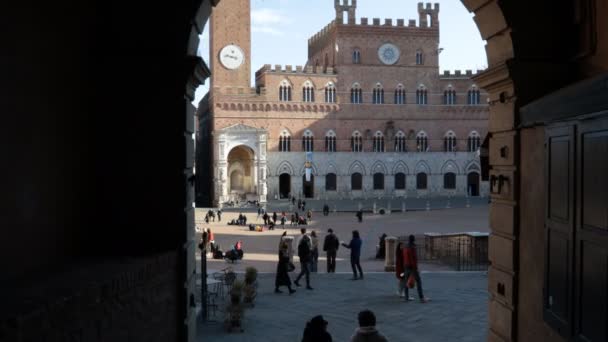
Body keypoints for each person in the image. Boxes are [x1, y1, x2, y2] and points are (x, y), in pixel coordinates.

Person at [402, 235, 429, 303]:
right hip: (412, 267)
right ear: (413, 240)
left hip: (406, 266)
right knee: (418, 282)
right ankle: (421, 298)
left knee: (406, 282)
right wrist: (416, 269)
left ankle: (406, 297)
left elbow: (405, 258)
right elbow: (413, 259)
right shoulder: (412, 248)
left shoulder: (405, 247)